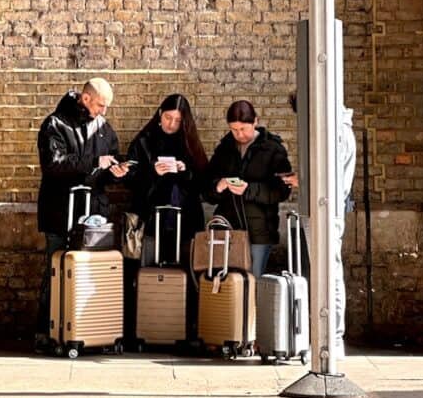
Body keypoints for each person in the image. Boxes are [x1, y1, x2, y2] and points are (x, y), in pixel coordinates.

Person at [35, 77, 129, 346]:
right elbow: (53, 165)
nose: (103, 111)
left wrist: (117, 173)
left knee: (90, 273)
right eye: (100, 104)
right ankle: (47, 332)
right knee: (54, 272)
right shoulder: (55, 124)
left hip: (93, 214)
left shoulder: (104, 129)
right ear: (85, 98)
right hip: (60, 210)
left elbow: (106, 171)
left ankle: (86, 331)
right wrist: (93, 162)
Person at [281, 93, 357, 359]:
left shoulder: (334, 133)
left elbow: (328, 179)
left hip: (325, 212)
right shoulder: (339, 130)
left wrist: (301, 181)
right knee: (328, 272)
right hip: (324, 211)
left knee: (329, 273)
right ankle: (330, 337)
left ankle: (332, 338)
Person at [203, 100, 292, 277]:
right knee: (227, 284)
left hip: (259, 232)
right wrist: (218, 186)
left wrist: (249, 189)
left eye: (243, 129)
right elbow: (206, 190)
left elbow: (283, 190)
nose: (239, 134)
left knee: (253, 282)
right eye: (234, 130)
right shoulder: (224, 149)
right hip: (227, 230)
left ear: (255, 122)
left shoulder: (273, 149)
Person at [126, 94, 208, 265]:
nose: (171, 124)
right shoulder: (143, 141)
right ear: (160, 114)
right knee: (149, 268)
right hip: (149, 219)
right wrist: (152, 171)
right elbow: (129, 178)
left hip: (185, 218)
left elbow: (203, 181)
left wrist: (185, 170)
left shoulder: (188, 143)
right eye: (168, 118)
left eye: (177, 120)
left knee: (182, 270)